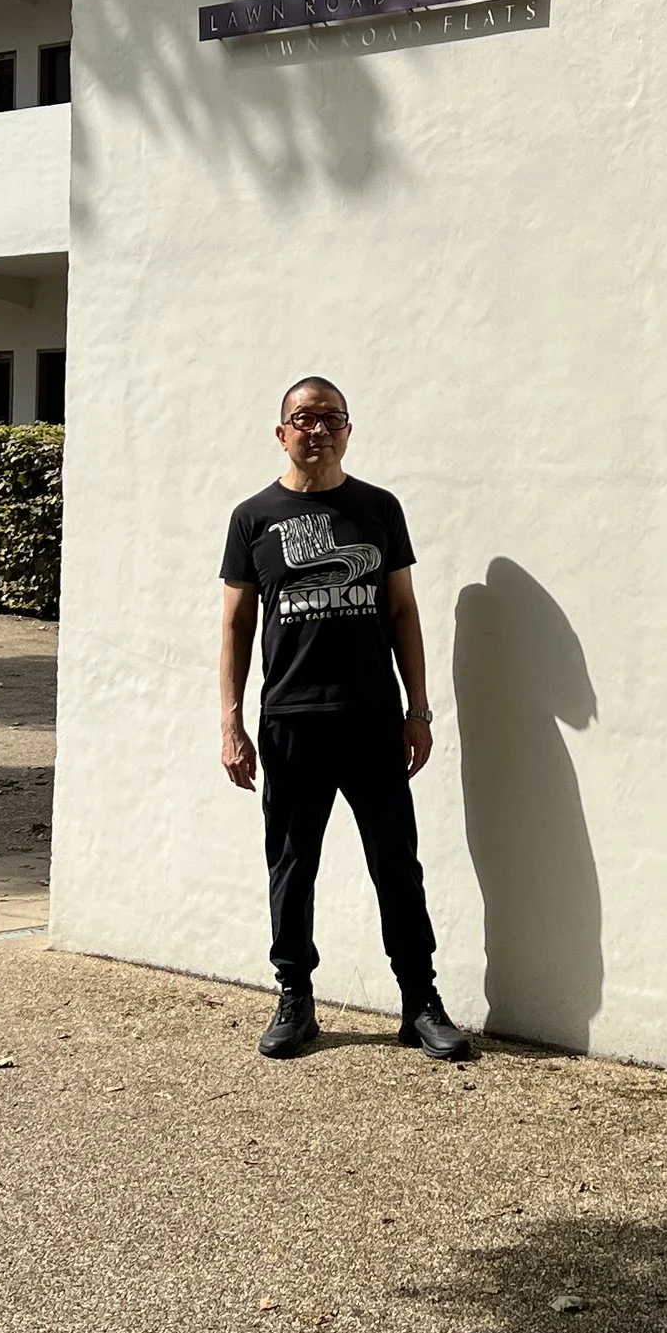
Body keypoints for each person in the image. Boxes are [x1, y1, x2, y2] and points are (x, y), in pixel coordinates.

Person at [219, 378, 471, 1061]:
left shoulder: (378, 509)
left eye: (331, 417)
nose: (318, 428)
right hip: (291, 721)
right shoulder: (254, 518)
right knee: (292, 866)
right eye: (303, 417)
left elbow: (404, 611)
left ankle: (420, 1001)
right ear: (282, 433)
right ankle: (295, 999)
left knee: (396, 865)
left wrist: (418, 709)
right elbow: (238, 622)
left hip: (372, 721)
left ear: (349, 430)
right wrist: (230, 722)